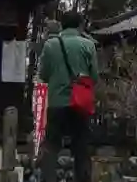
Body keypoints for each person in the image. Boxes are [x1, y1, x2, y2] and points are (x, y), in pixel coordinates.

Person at [37, 10, 98, 182]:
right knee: (81, 148)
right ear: (80, 25)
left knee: (51, 146)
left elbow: (43, 75)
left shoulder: (50, 45)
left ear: (61, 25)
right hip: (80, 104)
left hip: (57, 102)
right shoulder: (88, 45)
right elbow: (94, 77)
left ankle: (48, 179)